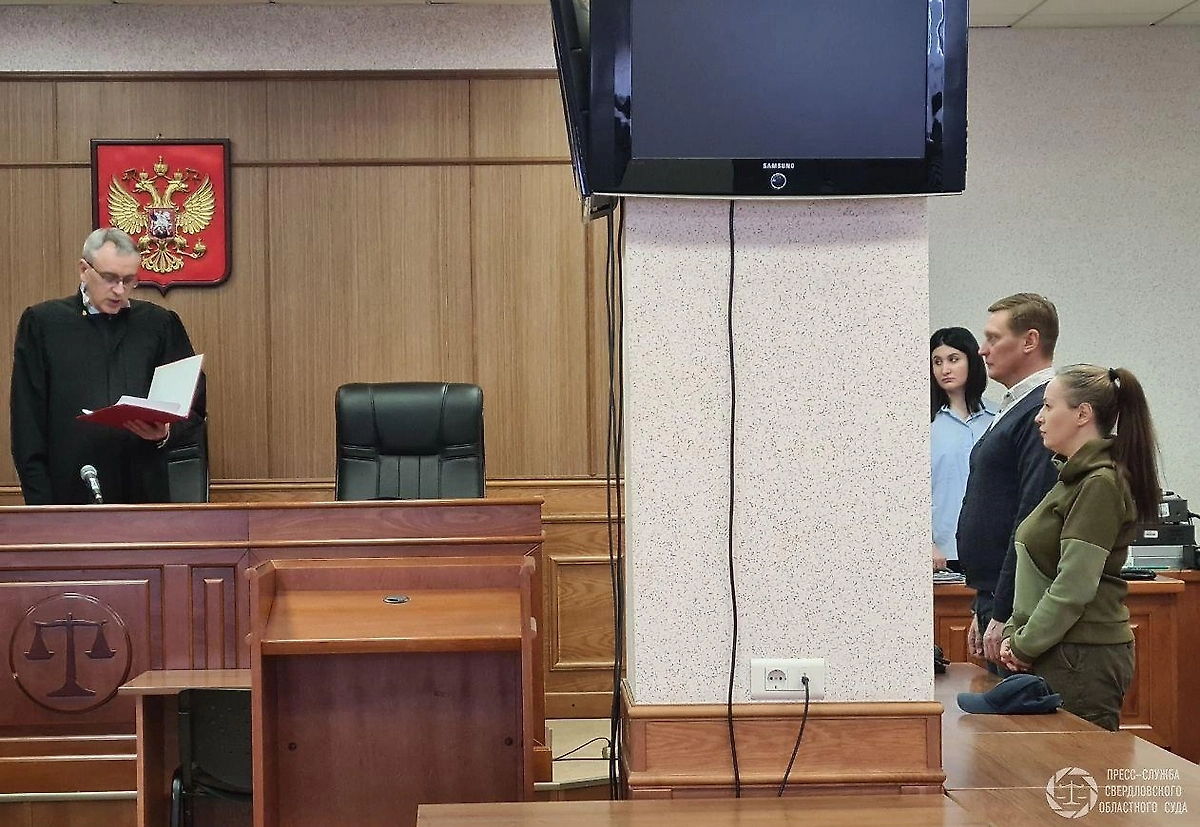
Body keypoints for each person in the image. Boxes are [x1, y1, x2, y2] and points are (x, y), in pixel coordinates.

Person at [999, 365, 1159, 731]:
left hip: (1082, 655)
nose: (1039, 418)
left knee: (1080, 767)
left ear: (1082, 414)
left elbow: (1074, 585)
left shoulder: (1099, 483)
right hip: (1059, 649)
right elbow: (1041, 572)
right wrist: (1014, 631)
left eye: (1048, 406)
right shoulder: (1072, 479)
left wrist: (1023, 644)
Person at [10, 227, 206, 505]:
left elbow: (193, 406)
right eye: (109, 278)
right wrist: (42, 509)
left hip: (145, 493)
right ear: (84, 270)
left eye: (129, 280)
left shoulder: (159, 324)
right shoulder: (44, 324)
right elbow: (27, 424)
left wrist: (166, 433)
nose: (119, 290)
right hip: (67, 492)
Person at [957, 293, 1060, 673]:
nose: (982, 350)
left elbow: (1030, 515)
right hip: (999, 596)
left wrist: (1003, 610)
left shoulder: (1041, 410)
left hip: (1019, 604)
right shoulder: (1017, 404)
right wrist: (983, 604)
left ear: (1030, 341)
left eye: (993, 338)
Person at [930, 327, 994, 570]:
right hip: (942, 554)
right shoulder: (926, 424)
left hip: (992, 550)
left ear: (972, 361)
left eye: (953, 359)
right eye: (937, 362)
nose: (944, 369)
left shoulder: (997, 418)